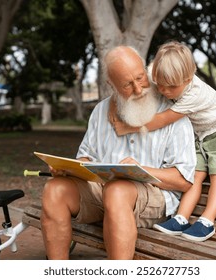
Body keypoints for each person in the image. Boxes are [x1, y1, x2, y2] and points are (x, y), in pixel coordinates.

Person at [40, 45, 196, 260]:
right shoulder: (100, 111)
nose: (139, 89)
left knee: (117, 190)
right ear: (110, 85)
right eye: (127, 85)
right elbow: (85, 156)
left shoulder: (172, 113)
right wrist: (69, 169)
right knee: (54, 189)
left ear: (145, 69)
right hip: (103, 192)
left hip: (153, 198)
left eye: (140, 78)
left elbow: (184, 181)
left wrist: (140, 171)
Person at [111, 41, 216, 242]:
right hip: (201, 134)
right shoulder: (164, 77)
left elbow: (162, 119)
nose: (164, 91)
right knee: (195, 174)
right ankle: (181, 218)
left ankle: (207, 222)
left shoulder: (195, 93)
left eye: (171, 87)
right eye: (160, 84)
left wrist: (129, 126)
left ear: (188, 79)